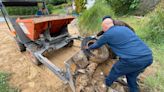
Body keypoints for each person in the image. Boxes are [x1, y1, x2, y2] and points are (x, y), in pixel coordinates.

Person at [86, 16, 153, 92]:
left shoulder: (107, 34)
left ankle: (105, 85)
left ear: (104, 26)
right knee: (131, 77)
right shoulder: (124, 28)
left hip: (132, 59)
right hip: (148, 57)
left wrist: (87, 48)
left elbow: (96, 44)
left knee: (116, 69)